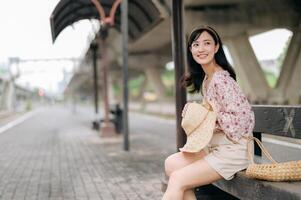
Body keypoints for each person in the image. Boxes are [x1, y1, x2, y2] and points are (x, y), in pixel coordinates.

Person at [162, 25, 255, 200]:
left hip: (233, 151)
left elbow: (245, 119)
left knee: (177, 178)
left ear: (216, 47)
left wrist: (210, 116)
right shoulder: (207, 80)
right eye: (196, 45)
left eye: (207, 43)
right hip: (215, 147)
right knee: (171, 165)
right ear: (191, 50)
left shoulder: (222, 80)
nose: (201, 49)